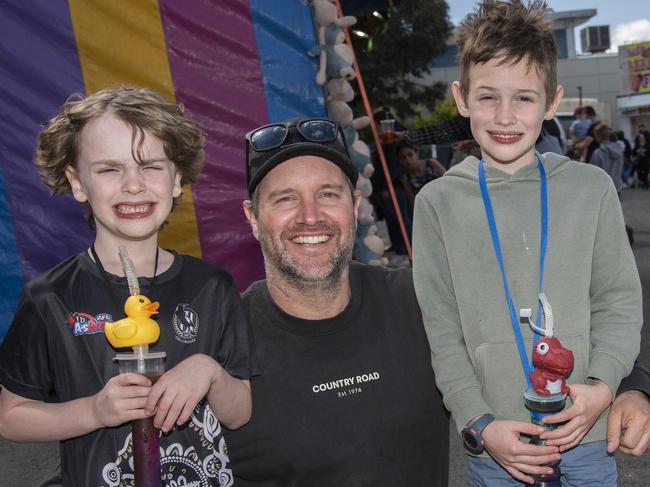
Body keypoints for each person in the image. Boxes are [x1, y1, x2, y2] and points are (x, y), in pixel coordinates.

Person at [412, 2, 642, 486]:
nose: (505, 116)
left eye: (524, 99)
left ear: (552, 101)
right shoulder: (436, 202)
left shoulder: (591, 188)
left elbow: (617, 302)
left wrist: (602, 387)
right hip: (498, 448)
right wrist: (478, 421)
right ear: (461, 97)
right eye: (488, 97)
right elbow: (441, 328)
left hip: (584, 433)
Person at [0, 87, 255, 486]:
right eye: (109, 169)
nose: (133, 185)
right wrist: (94, 411)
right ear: (78, 183)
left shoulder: (213, 287)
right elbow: (11, 417)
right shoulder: (48, 298)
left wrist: (210, 372)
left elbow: (239, 412)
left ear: (176, 180)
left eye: (151, 166)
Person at [223, 117, 450, 486]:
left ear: (355, 205)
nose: (310, 217)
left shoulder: (419, 300)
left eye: (328, 194)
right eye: (285, 199)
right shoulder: (223, 339)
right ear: (253, 218)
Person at [396, 140, 446, 211]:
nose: (407, 160)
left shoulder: (431, 163)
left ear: (417, 153)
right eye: (403, 158)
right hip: (429, 208)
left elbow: (448, 180)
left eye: (410, 155)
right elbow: (412, 199)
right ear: (399, 160)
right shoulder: (405, 178)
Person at [590, 124, 624, 193]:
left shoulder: (598, 153)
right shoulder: (619, 149)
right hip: (617, 187)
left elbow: (594, 173)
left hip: (603, 189)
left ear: (598, 136)